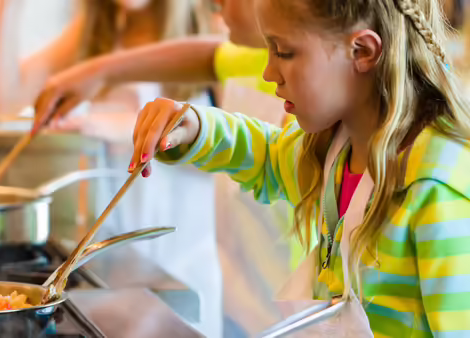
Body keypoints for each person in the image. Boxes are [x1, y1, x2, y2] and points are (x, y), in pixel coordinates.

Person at [122, 0, 470, 336]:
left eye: (283, 52)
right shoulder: (340, 145)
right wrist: (198, 128)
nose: (269, 72)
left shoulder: (437, 190)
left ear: (362, 51)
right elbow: (271, 156)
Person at [0, 1, 223, 337]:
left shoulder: (214, 29)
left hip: (183, 263)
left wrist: (127, 129)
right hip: (116, 263)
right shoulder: (96, 31)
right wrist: (8, 8)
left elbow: (244, 149)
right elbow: (0, 101)